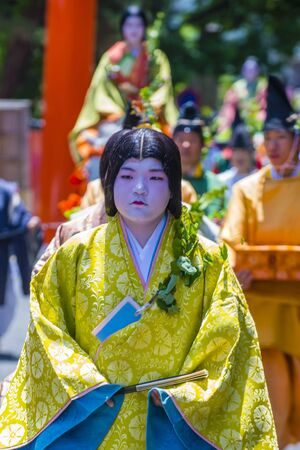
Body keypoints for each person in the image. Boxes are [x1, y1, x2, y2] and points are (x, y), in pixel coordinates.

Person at [0, 128, 276, 449]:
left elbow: (228, 340)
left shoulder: (207, 259)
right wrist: (86, 385)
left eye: (156, 178)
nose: (140, 188)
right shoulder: (72, 256)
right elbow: (48, 330)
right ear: (109, 184)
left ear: (173, 186)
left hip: (174, 421)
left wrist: (183, 395)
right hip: (95, 413)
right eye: (127, 176)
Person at [220, 75, 300, 448]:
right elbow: (231, 240)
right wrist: (239, 268)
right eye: (267, 140)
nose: (272, 146)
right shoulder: (248, 189)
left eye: (280, 139)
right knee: (274, 394)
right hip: (264, 306)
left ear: (296, 141)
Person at [69, 5, 177, 164]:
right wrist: (116, 113)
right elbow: (101, 89)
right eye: (129, 25)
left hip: (149, 114)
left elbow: (163, 85)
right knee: (89, 139)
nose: (134, 30)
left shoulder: (155, 57)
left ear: (144, 28)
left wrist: (147, 109)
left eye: (138, 25)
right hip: (116, 115)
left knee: (169, 141)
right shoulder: (112, 57)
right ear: (122, 28)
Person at [0, 178, 41, 339]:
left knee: (7, 300)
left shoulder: (7, 190)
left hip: (2, 255)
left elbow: (20, 215)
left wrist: (28, 222)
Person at [173, 101, 225, 216]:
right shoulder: (162, 182)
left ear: (203, 145)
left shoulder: (217, 186)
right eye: (181, 140)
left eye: (192, 140)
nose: (186, 145)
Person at [217, 57, 267, 142]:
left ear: (258, 71)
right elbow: (229, 107)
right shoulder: (237, 87)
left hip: (259, 123)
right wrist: (225, 124)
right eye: (247, 70)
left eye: (253, 70)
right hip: (240, 122)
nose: (250, 72)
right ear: (243, 71)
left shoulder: (263, 86)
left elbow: (265, 106)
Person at [217, 123, 257, 200]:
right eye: (236, 151)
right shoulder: (222, 180)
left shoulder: (260, 179)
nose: (239, 156)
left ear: (251, 154)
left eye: (243, 150)